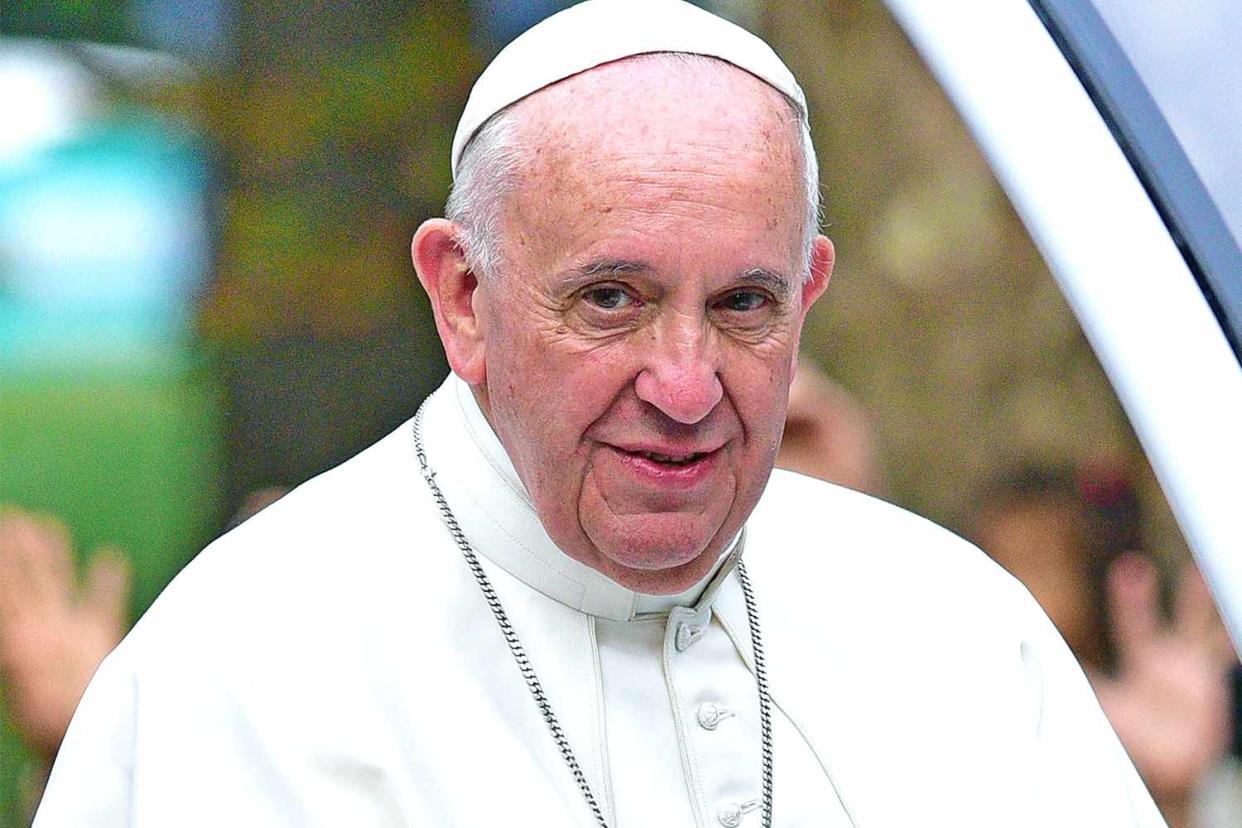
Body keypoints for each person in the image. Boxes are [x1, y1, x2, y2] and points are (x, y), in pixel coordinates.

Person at [35, 1, 1164, 825]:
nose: (684, 387)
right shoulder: (246, 666)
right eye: (611, 300)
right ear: (464, 298)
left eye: (742, 306)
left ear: (809, 291)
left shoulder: (956, 629)